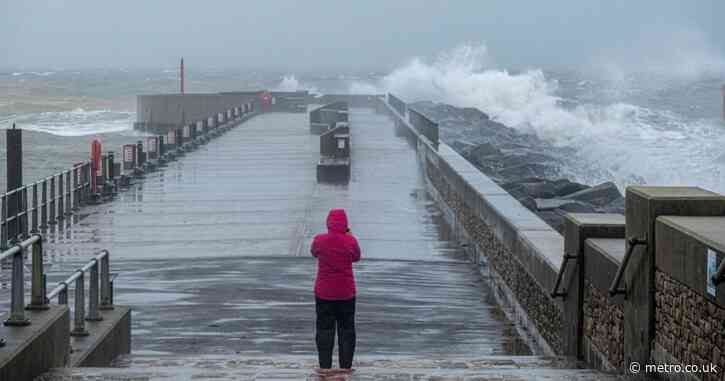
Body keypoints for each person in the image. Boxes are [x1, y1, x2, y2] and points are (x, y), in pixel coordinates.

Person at [311, 208, 361, 369]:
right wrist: (349, 236)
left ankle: (325, 365)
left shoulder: (319, 240)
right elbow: (356, 257)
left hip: (324, 293)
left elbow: (313, 252)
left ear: (328, 223)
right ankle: (345, 366)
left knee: (324, 329)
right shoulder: (350, 241)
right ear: (345, 224)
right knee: (347, 329)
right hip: (346, 293)